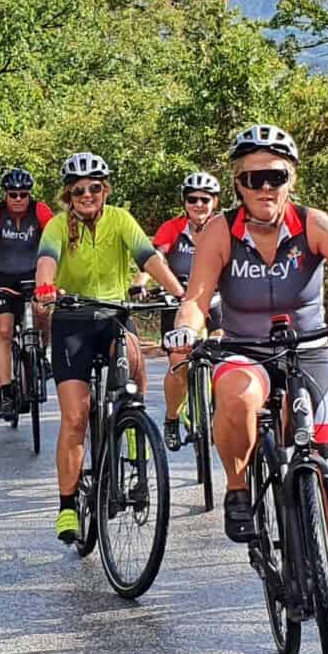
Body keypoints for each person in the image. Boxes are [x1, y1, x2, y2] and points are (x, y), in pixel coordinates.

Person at [166, 125, 328, 649]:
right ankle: (238, 489)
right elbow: (196, 295)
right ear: (237, 185)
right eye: (253, 177)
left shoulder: (314, 224)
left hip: (309, 352)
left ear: (291, 178)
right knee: (236, 396)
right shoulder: (220, 232)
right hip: (246, 351)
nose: (265, 187)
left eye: (275, 176)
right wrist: (188, 326)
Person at [33, 152, 184, 549]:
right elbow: (47, 260)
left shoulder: (120, 219)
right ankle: (67, 504)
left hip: (115, 315)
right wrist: (45, 289)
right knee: (76, 415)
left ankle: (134, 438)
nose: (87, 195)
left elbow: (148, 257)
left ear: (105, 190)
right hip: (73, 322)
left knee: (135, 372)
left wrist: (179, 293)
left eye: (94, 188)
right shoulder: (57, 226)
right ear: (69, 194)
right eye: (78, 189)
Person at [148, 171, 224, 450]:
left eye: (205, 199)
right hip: (177, 303)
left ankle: (214, 412)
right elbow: (155, 258)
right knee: (179, 364)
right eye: (193, 199)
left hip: (216, 300)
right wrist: (140, 284)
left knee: (223, 349)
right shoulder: (172, 228)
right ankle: (171, 419)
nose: (199, 205)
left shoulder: (223, 227)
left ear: (214, 201)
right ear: (185, 202)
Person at [0, 168, 54, 420]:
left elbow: (56, 242)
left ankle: (42, 353)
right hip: (2, 279)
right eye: (13, 194)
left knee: (44, 311)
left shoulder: (40, 210)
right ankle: (6, 391)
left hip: (33, 275)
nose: (18, 199)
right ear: (5, 195)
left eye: (23, 194)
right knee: (4, 331)